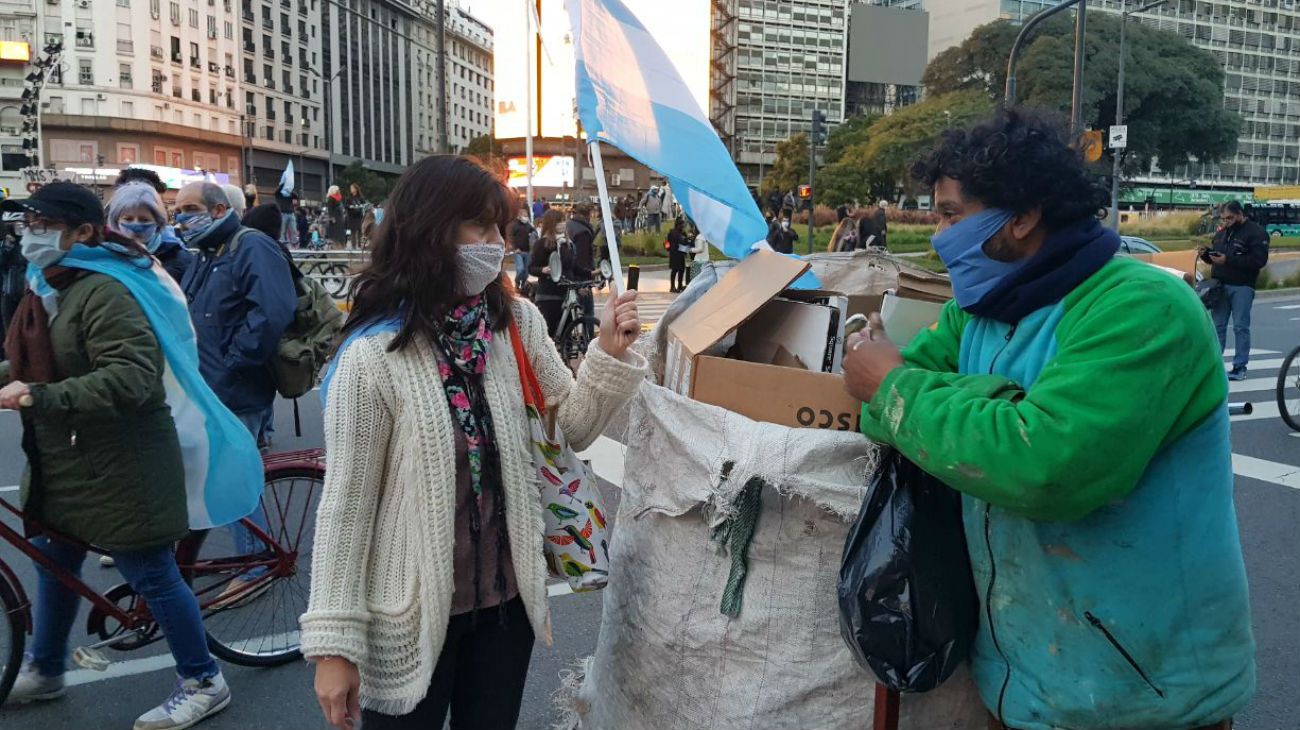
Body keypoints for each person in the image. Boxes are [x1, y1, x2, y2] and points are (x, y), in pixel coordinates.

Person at [842, 109, 1255, 730]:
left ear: (1023, 216)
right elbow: (883, 410)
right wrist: (959, 401)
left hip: (1142, 695)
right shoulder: (979, 310)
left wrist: (900, 389)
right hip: (1022, 684)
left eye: (952, 214)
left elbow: (1045, 466)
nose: (936, 235)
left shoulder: (1141, 308)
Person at [302, 155, 645, 730]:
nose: (496, 244)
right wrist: (333, 649)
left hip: (505, 610)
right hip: (408, 616)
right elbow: (346, 508)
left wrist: (607, 353)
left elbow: (574, 427)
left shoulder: (518, 324)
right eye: (479, 228)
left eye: (501, 230)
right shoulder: (374, 356)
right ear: (430, 230)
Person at [0, 182, 232, 728]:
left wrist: (39, 395)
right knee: (55, 566)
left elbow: (131, 377)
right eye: (26, 223)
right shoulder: (49, 284)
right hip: (68, 462)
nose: (29, 233)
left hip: (124, 463)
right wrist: (19, 382)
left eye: (41, 223)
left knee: (153, 573)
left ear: (81, 232)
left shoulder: (104, 289)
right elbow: (38, 361)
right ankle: (48, 668)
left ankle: (204, 680)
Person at [176, 181, 296, 602]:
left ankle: (255, 564)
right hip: (210, 387)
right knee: (215, 472)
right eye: (177, 209)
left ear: (217, 209)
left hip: (236, 387)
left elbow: (274, 311)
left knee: (234, 476)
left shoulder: (250, 246)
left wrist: (231, 365)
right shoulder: (206, 254)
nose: (181, 217)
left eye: (189, 208)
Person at [1203, 200, 1269, 381]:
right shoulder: (1222, 233)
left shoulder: (1256, 233)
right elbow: (1219, 256)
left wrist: (1228, 260)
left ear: (1240, 214)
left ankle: (1240, 367)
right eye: (1223, 219)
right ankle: (1214, 366)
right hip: (1219, 285)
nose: (1226, 222)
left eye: (1230, 218)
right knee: (1218, 327)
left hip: (1242, 285)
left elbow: (1258, 261)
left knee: (1240, 327)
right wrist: (1207, 256)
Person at [106, 182, 194, 284]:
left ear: (158, 222)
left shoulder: (178, 259)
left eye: (144, 220)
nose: (136, 226)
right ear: (116, 222)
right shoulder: (105, 258)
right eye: (128, 219)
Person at [529, 209, 572, 336]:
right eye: (559, 221)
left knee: (566, 335)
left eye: (564, 221)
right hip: (548, 296)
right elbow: (531, 268)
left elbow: (572, 268)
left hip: (566, 296)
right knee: (548, 334)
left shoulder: (567, 244)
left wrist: (590, 274)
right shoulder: (541, 244)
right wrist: (543, 270)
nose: (562, 224)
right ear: (551, 224)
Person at [509, 212, 534, 290]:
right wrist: (514, 248)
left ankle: (523, 283)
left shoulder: (529, 226)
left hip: (528, 251)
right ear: (519, 216)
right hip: (518, 252)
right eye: (524, 216)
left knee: (526, 272)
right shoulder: (515, 226)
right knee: (520, 269)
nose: (525, 217)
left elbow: (535, 234)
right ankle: (517, 281)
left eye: (526, 216)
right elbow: (511, 237)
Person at [667, 217, 690, 293]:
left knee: (681, 270)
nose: (683, 227)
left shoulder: (682, 233)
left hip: (681, 254)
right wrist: (668, 249)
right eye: (682, 225)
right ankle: (672, 286)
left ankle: (680, 285)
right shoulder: (673, 233)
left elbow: (685, 242)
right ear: (677, 225)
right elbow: (667, 242)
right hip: (674, 254)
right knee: (674, 270)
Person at [344, 183, 368, 248]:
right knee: (353, 231)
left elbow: (365, 205)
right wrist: (350, 207)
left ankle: (360, 245)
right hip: (351, 216)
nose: (351, 189)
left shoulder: (360, 197)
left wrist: (361, 206)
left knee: (360, 231)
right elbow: (345, 206)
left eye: (352, 188)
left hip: (359, 216)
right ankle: (354, 246)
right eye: (350, 188)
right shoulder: (348, 198)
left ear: (356, 189)